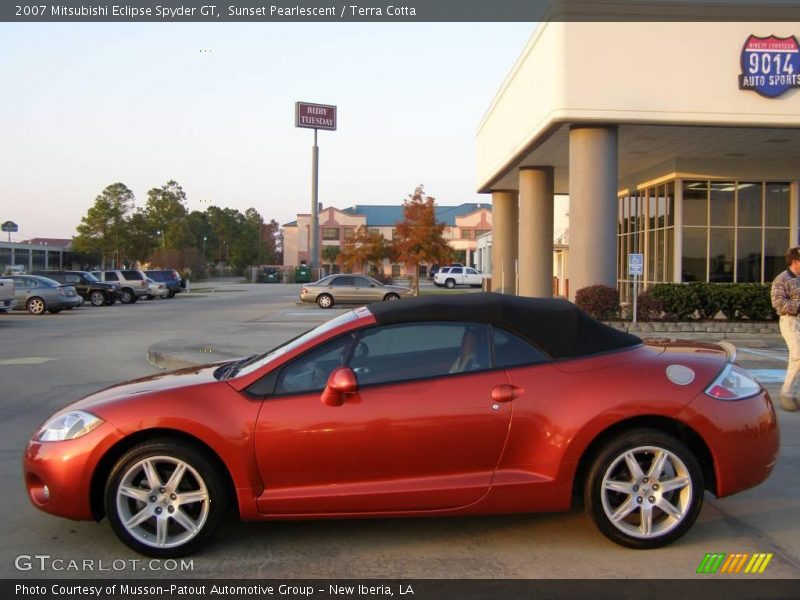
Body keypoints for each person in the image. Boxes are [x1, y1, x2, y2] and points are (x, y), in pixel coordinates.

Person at [771, 246, 800, 412]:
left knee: (796, 359)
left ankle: (791, 393)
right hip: (790, 321)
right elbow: (778, 303)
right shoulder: (781, 279)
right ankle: (786, 393)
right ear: (795, 261)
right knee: (798, 357)